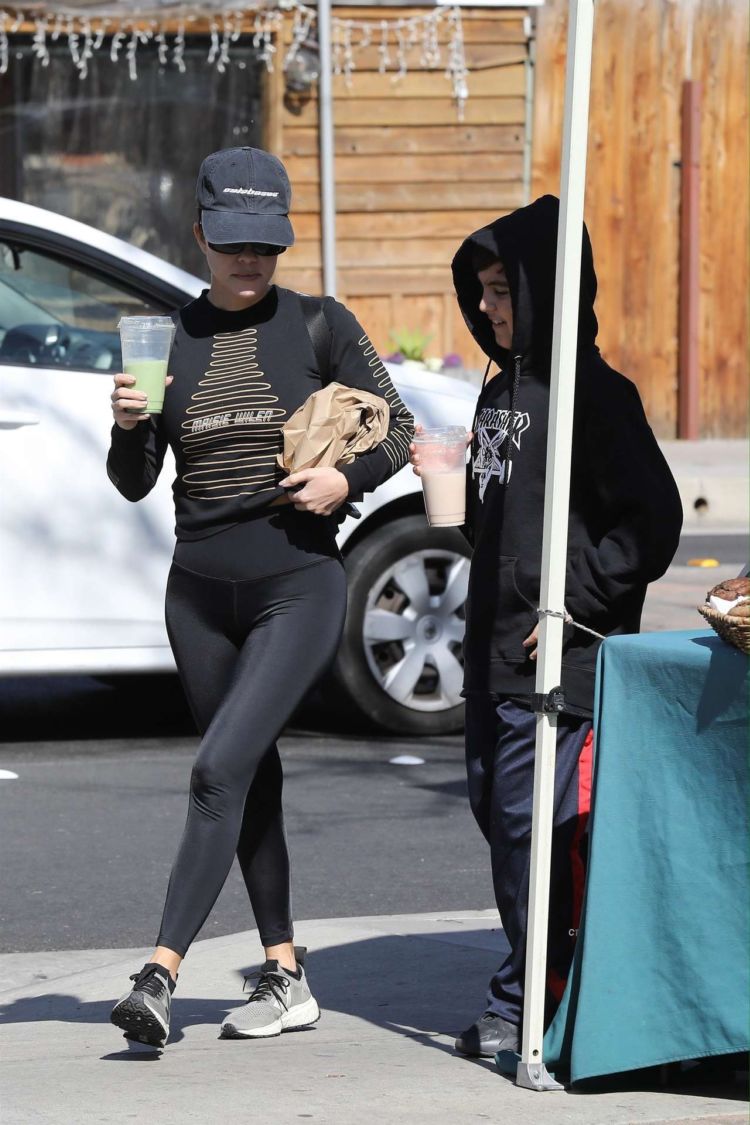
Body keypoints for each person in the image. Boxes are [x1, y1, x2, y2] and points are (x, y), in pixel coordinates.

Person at [107, 146, 414, 1048]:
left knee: (214, 770)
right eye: (235, 243)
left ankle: (159, 972)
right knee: (247, 775)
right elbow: (134, 482)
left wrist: (346, 478)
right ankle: (285, 972)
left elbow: (397, 423)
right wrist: (127, 428)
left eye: (267, 246)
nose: (251, 261)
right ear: (201, 234)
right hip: (196, 593)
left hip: (297, 585)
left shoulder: (319, 323)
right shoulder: (162, 338)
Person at [411, 195, 682, 1058]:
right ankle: (540, 974)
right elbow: (501, 527)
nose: (488, 308)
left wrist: (577, 603)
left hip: (557, 657)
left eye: (503, 290)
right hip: (488, 653)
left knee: (537, 835)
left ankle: (530, 998)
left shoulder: (597, 397)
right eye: (482, 292)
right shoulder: (498, 395)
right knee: (500, 816)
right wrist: (447, 489)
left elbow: (652, 522)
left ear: (548, 288)